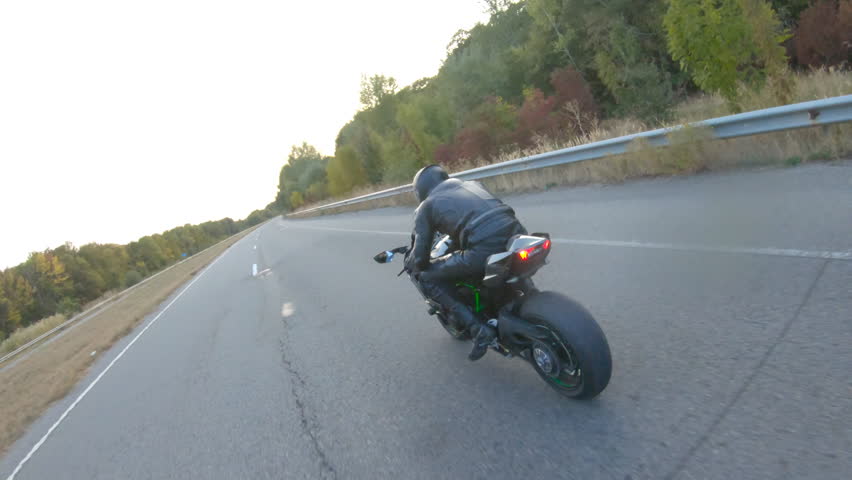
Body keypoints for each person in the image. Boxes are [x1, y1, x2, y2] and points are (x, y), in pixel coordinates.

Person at [405, 164, 527, 361]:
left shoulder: (426, 206)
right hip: (517, 233)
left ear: (421, 190)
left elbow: (420, 258)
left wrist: (413, 263)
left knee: (427, 277)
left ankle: (479, 330)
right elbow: (479, 217)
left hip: (484, 250)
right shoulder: (472, 184)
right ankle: (524, 298)